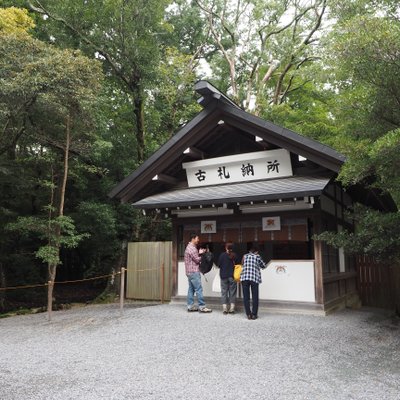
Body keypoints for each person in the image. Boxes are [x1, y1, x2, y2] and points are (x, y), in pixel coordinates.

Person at [184, 233, 212, 313]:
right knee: (199, 289)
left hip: (189, 272)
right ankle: (202, 307)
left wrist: (200, 253)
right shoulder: (192, 248)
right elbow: (197, 260)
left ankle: (190, 306)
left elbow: (194, 258)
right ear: (193, 239)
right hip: (194, 271)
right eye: (197, 238)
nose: (198, 240)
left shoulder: (189, 247)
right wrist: (203, 254)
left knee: (191, 289)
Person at [240, 246, 267, 320]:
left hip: (244, 278)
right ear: (256, 252)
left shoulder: (244, 256)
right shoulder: (257, 256)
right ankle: (254, 314)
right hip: (254, 278)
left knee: (246, 297)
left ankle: (248, 314)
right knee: (255, 297)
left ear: (249, 251)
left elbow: (242, 264)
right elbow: (264, 266)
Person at [217, 242, 238, 314]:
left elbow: (219, 265)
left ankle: (225, 309)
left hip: (223, 276)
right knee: (232, 292)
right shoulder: (234, 255)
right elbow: (238, 265)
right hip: (232, 276)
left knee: (224, 292)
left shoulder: (222, 255)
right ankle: (232, 308)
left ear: (226, 248)